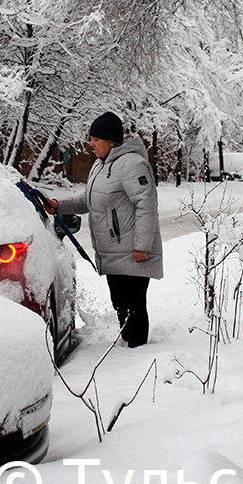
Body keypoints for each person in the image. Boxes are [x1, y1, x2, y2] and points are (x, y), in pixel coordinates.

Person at [49, 111, 163, 347]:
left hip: (132, 251)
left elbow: (147, 204)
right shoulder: (101, 165)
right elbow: (90, 200)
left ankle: (138, 354)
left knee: (132, 308)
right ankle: (131, 348)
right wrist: (59, 206)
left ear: (111, 141)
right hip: (114, 252)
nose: (90, 144)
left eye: (95, 140)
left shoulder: (132, 164)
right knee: (121, 305)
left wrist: (142, 246)